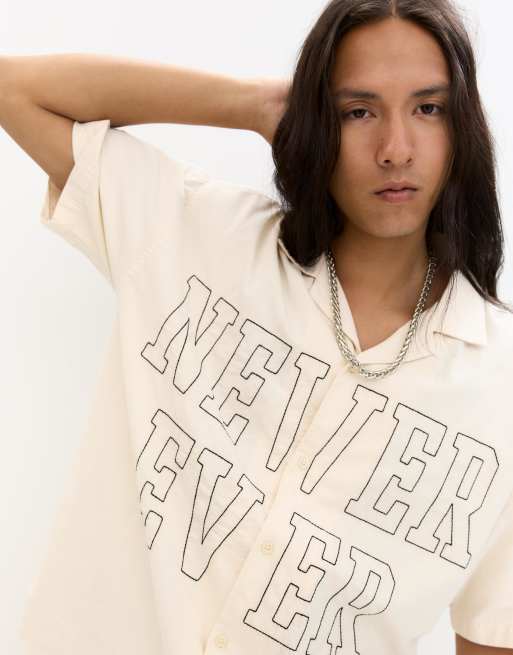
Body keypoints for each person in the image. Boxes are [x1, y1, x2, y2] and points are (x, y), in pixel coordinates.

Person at [2, 0, 513, 654]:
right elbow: (14, 89)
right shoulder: (197, 238)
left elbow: (490, 636)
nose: (395, 150)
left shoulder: (499, 386)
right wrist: (257, 104)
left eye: (428, 108)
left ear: (463, 127)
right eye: (356, 111)